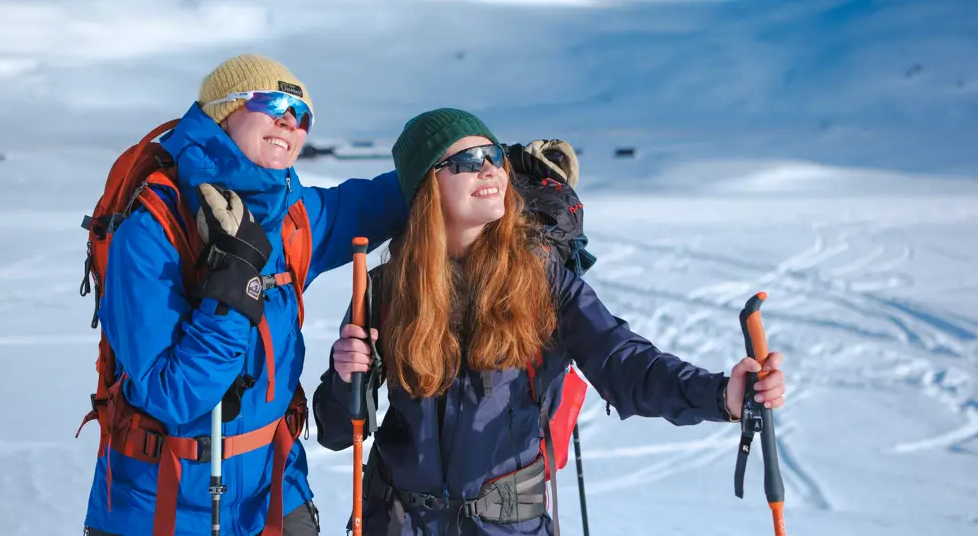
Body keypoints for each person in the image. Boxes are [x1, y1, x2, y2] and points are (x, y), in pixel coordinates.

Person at [312, 108, 786, 536]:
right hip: (398, 524)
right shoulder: (383, 289)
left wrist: (722, 394)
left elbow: (624, 363)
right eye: (467, 160)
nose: (490, 169)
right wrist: (343, 377)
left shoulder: (539, 281)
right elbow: (336, 432)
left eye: (493, 155)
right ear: (425, 187)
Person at [81, 54, 408, 536]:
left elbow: (389, 198)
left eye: (302, 115)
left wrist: (487, 162)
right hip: (164, 506)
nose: (289, 122)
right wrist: (234, 288)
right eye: (275, 104)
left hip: (274, 493)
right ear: (223, 111)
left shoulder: (295, 216)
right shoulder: (152, 231)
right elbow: (171, 396)